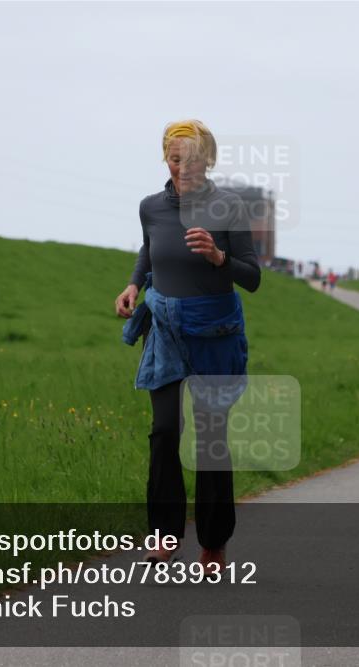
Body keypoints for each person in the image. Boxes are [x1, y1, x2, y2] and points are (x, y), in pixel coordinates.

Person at [116, 119, 261, 573]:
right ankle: (164, 535)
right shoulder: (151, 207)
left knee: (211, 438)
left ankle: (214, 542)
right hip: (166, 330)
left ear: (208, 161)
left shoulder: (229, 206)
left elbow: (252, 277)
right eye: (175, 158)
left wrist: (220, 258)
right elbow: (149, 248)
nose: (183, 167)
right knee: (164, 433)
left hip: (215, 332)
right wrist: (134, 284)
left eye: (193, 160)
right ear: (166, 159)